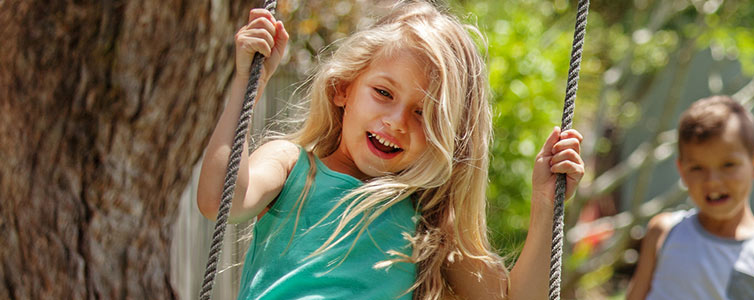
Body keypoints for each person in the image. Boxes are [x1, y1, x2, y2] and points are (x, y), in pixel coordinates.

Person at [196, 2, 583, 299]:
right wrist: (248, 84)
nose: (397, 121)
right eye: (383, 93)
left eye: (423, 113)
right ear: (342, 88)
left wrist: (545, 203)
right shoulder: (291, 166)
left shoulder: (428, 223)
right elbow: (220, 200)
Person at [626, 96, 754, 300]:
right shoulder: (664, 233)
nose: (713, 181)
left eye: (728, 165)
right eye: (697, 168)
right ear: (682, 171)